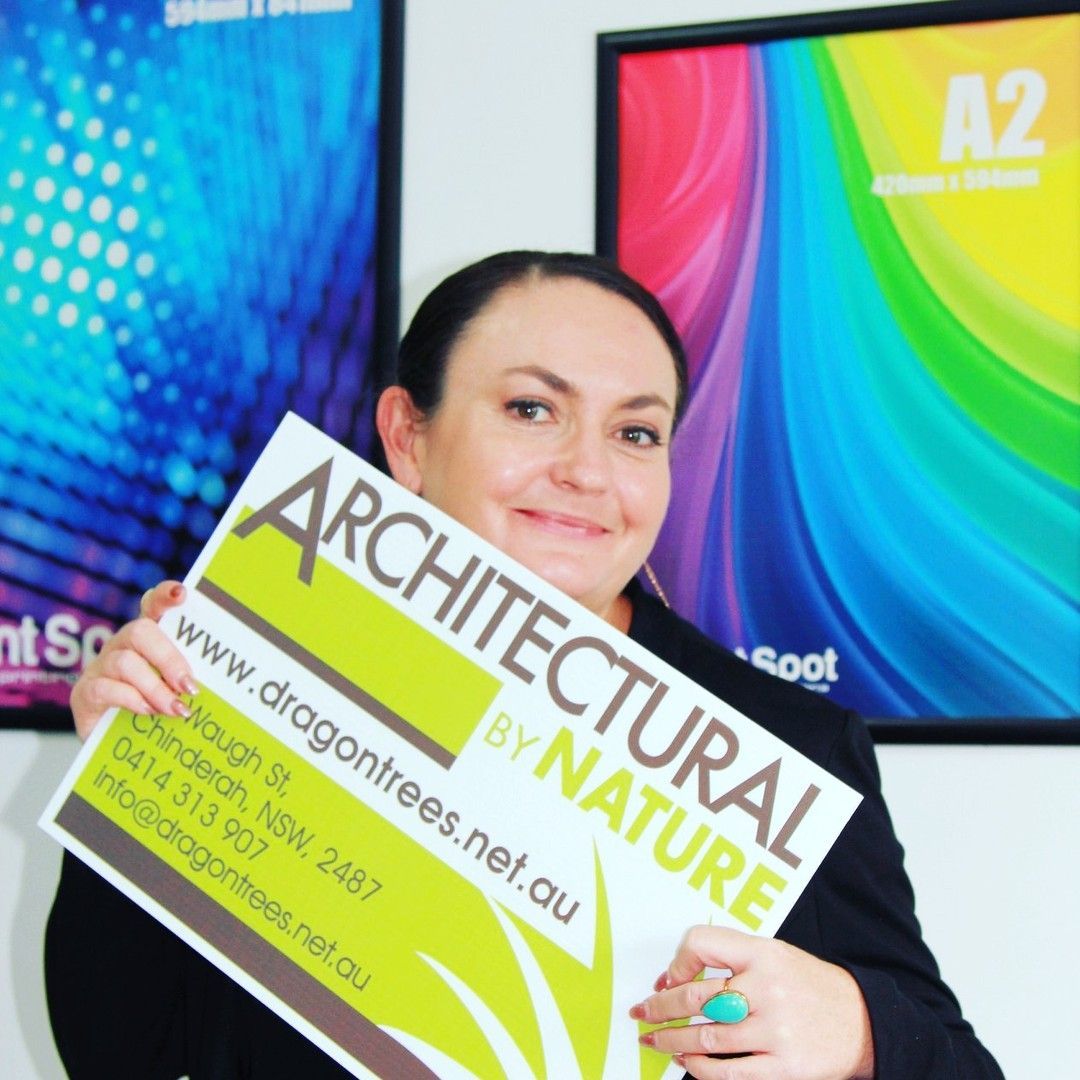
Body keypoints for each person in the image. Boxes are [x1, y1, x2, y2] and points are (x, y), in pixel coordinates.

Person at [46, 251, 1002, 1079]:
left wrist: (864, 1032)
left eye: (636, 431)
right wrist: (131, 771)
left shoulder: (782, 748)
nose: (587, 471)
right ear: (408, 438)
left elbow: (955, 1063)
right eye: (532, 408)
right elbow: (118, 1054)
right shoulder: (259, 673)